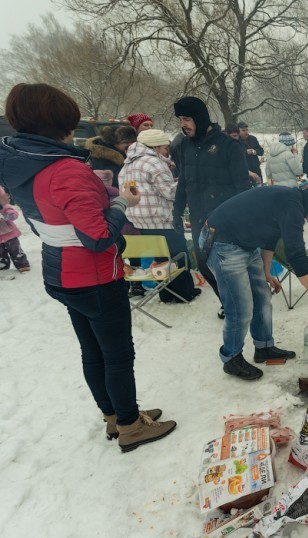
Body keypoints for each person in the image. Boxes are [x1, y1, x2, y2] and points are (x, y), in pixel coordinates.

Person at [0, 83, 176, 451]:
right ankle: (129, 425)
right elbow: (97, 237)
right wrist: (121, 205)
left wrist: (103, 198)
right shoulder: (65, 170)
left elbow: (54, 216)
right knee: (116, 354)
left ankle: (114, 414)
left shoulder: (26, 163)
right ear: (62, 123)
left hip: (60, 271)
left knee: (93, 350)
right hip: (92, 275)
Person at [199, 182, 308, 380]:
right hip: (222, 242)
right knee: (240, 307)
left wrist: (265, 272)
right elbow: (297, 256)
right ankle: (231, 358)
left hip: (243, 243)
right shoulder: (292, 204)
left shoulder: (292, 202)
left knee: (262, 296)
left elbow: (271, 236)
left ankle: (264, 347)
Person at [172, 96, 252, 314]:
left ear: (199, 117)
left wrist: (242, 221)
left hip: (226, 221)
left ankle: (240, 305)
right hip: (199, 219)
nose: (182, 124)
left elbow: (243, 188)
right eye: (180, 119)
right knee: (205, 266)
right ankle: (227, 302)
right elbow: (183, 182)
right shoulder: (183, 147)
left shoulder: (228, 145)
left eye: (186, 118)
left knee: (230, 267)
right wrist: (176, 211)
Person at [120, 128, 200, 303]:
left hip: (139, 220)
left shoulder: (128, 164)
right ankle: (184, 293)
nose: (167, 151)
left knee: (160, 258)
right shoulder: (154, 163)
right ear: (155, 147)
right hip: (162, 219)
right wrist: (186, 181)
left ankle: (166, 293)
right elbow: (170, 193)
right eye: (165, 147)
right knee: (179, 256)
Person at [0, 186, 30, 272]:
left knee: (15, 249)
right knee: (0, 253)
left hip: (9, 234)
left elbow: (11, 211)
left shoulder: (3, 206)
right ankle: (3, 266)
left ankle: (22, 264)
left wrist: (11, 215)